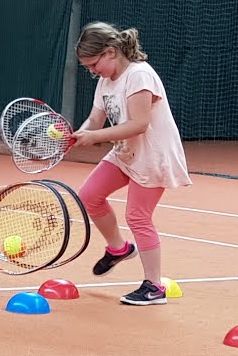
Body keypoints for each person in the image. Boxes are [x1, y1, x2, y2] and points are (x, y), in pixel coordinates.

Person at [68, 22, 191, 305]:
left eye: (93, 64)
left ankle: (154, 287)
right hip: (125, 153)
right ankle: (118, 248)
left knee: (137, 216)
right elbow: (95, 119)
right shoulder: (105, 81)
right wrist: (79, 135)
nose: (92, 71)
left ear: (110, 52)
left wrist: (95, 137)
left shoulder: (139, 76)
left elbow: (139, 124)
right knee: (89, 196)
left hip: (153, 157)